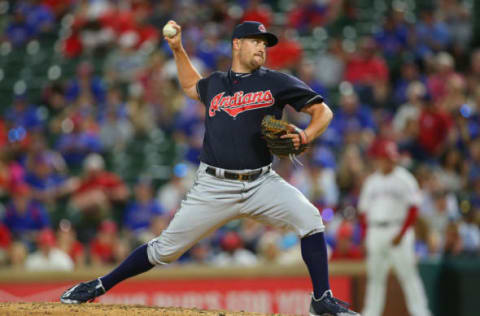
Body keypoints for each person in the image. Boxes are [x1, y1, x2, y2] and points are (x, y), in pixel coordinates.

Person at [60, 20, 359, 316]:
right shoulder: (216, 83)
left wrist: (306, 135)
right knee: (164, 250)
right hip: (214, 186)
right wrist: (177, 49)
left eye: (265, 43)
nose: (261, 47)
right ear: (236, 44)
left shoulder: (276, 82)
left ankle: (321, 299)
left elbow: (323, 111)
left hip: (262, 183)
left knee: (310, 219)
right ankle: (100, 285)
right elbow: (191, 85)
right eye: (255, 41)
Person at [358, 139, 431, 316]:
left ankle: (421, 312)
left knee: (409, 276)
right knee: (375, 279)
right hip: (376, 231)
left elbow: (414, 209)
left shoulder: (405, 179)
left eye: (391, 158)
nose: (389, 161)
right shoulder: (372, 182)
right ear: (379, 159)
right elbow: (363, 212)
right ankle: (371, 313)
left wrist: (403, 232)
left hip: (398, 230)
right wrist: (366, 236)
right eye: (385, 158)